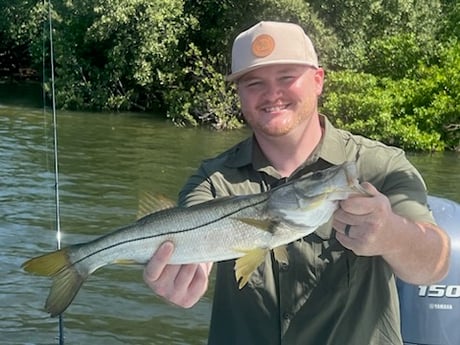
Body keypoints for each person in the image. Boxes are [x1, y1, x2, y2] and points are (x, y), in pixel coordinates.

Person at [143, 21, 451, 344]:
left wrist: (391, 235)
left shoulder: (379, 166)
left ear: (318, 80)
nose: (272, 93)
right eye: (254, 83)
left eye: (287, 77)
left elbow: (436, 265)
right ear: (239, 94)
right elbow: (197, 240)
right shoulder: (213, 179)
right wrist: (185, 276)